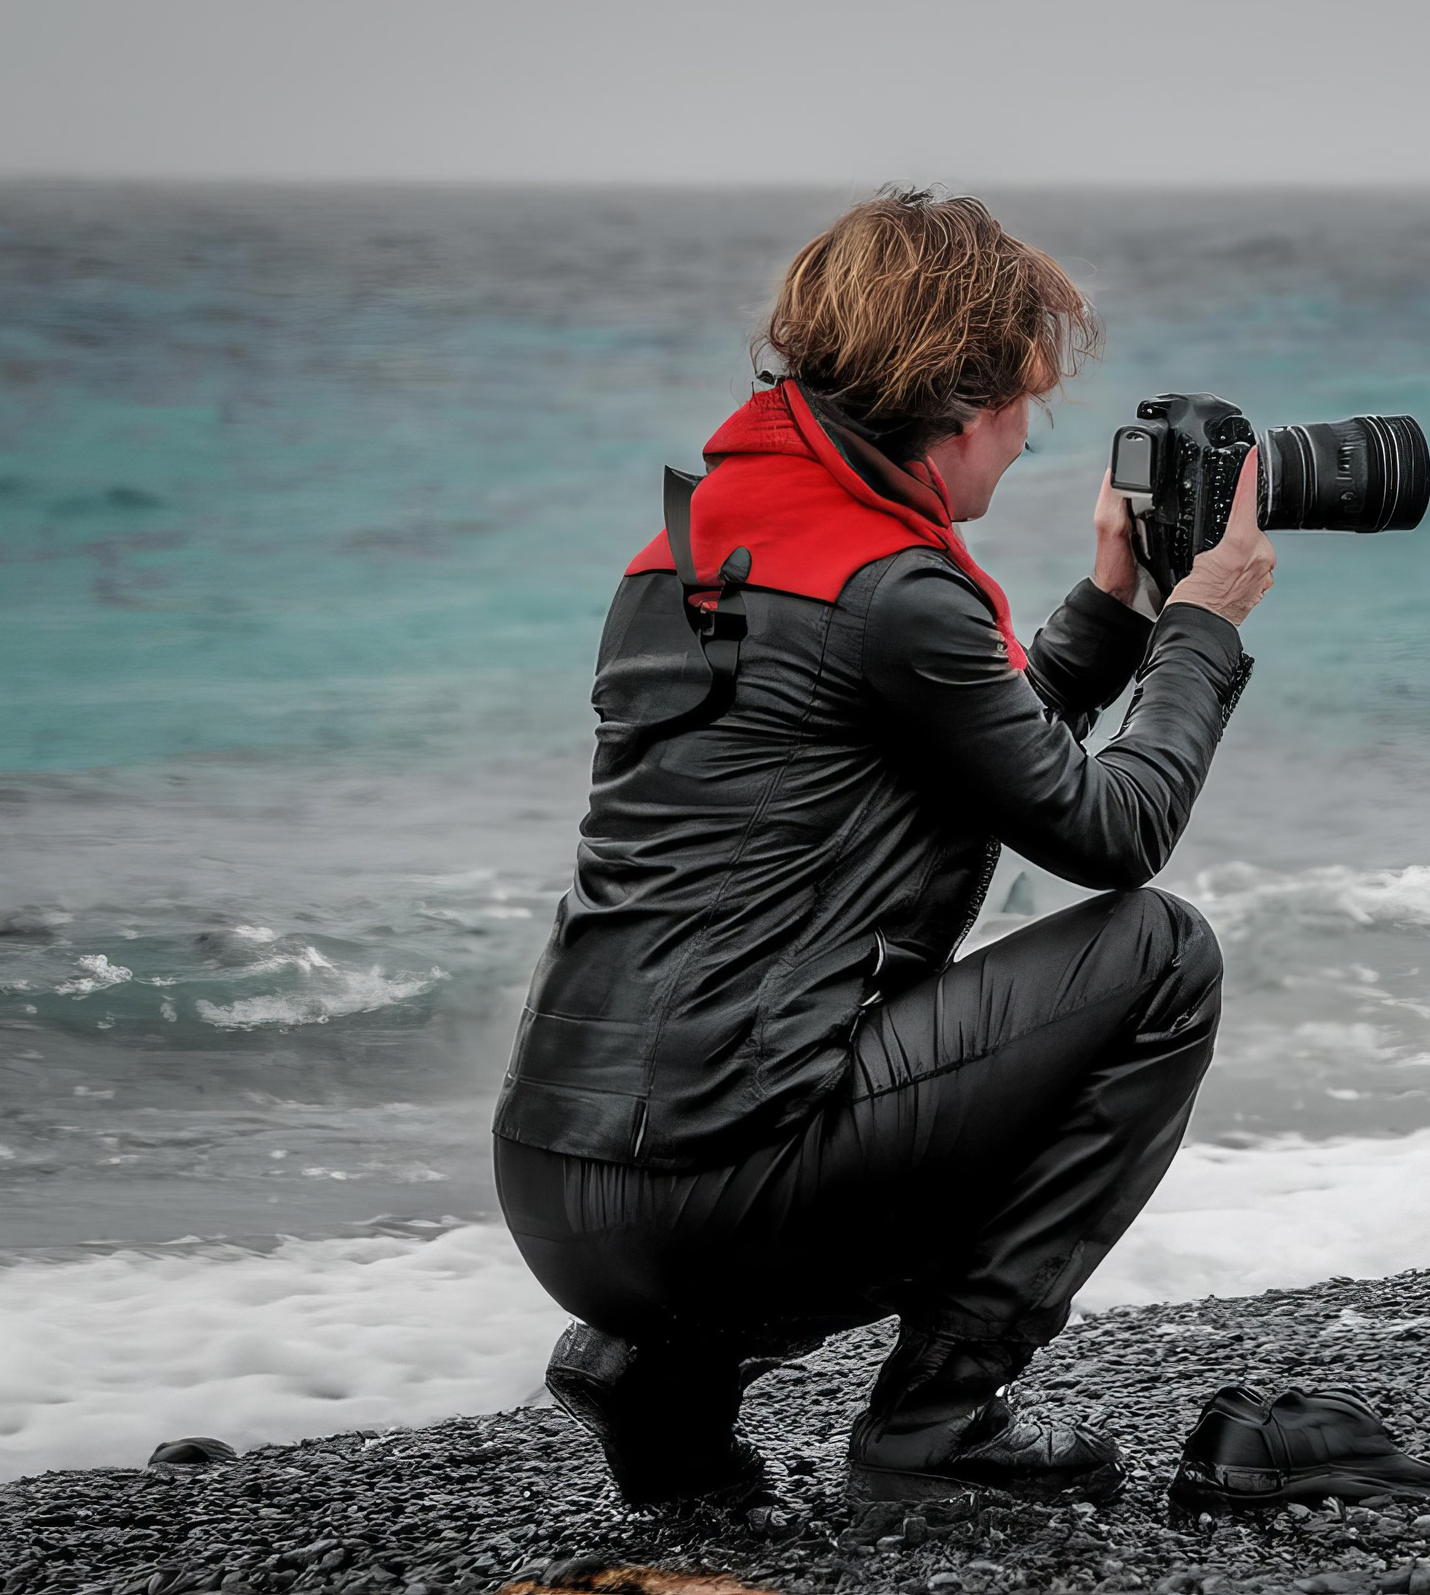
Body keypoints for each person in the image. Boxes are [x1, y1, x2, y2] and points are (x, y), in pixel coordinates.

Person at [491, 188, 1274, 1511]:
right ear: (962, 405)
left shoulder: (690, 547)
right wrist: (1203, 627)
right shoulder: (896, 586)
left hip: (562, 1190)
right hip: (713, 1191)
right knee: (1158, 956)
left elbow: (931, 748)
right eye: (1026, 401)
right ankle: (937, 1419)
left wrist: (1114, 609)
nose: (1028, 443)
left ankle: (661, 1380)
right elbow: (1114, 833)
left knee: (803, 1040)